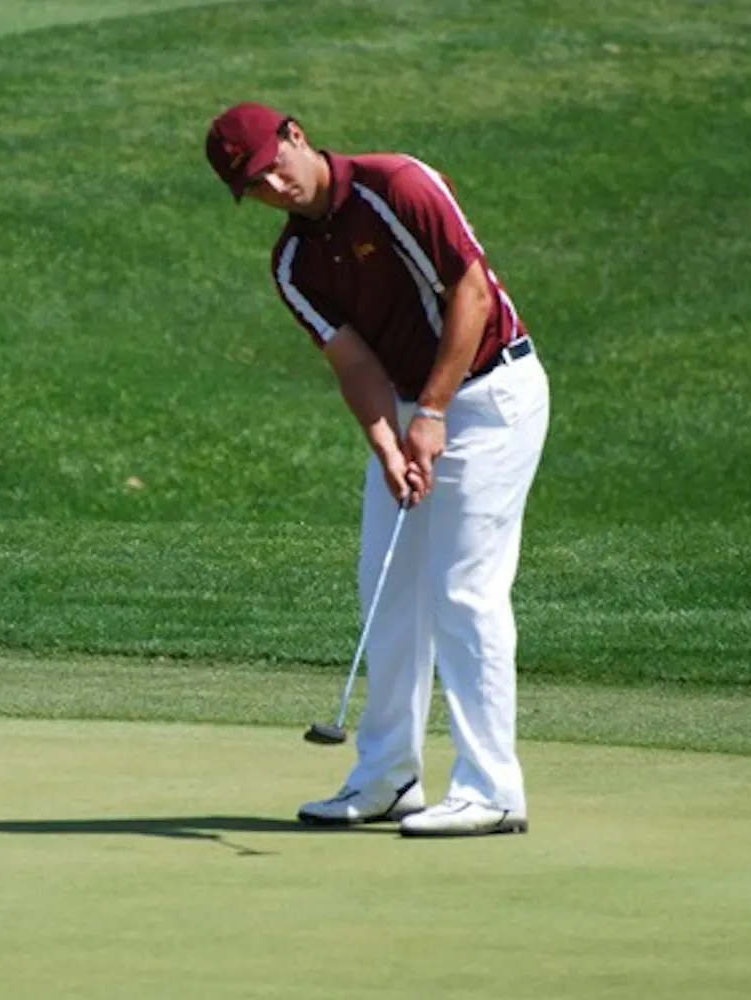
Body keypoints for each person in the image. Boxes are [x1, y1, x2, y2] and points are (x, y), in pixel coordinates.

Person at [204, 102, 550, 837]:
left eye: (273, 163)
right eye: (254, 185)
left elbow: (472, 292)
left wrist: (430, 412)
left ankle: (492, 789)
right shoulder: (294, 264)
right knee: (387, 590)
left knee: (463, 589)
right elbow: (352, 361)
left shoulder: (397, 185)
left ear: (297, 135)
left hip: (491, 395)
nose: (273, 185)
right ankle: (388, 776)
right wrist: (388, 445)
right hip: (407, 409)